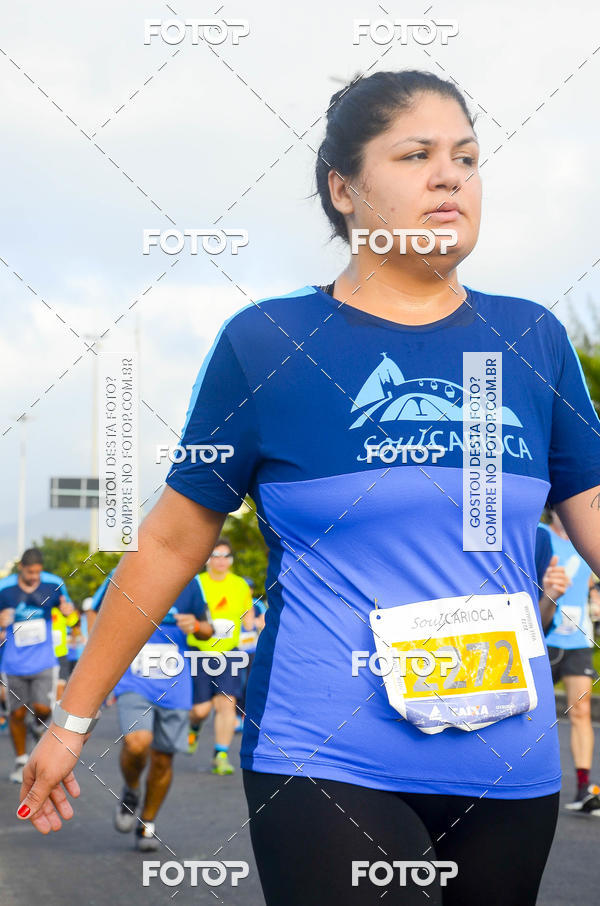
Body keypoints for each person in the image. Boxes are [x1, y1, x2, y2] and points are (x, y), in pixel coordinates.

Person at [16, 69, 600, 905]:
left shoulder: (528, 339)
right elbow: (173, 542)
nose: (451, 176)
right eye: (416, 155)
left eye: (468, 158)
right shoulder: (270, 344)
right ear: (344, 187)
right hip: (326, 755)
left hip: (508, 765)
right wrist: (72, 723)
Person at [87, 568, 214, 849]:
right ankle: (131, 790)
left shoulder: (190, 581)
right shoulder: (125, 572)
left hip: (175, 683)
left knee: (163, 759)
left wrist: (196, 626)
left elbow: (207, 629)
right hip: (135, 678)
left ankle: (148, 823)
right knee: (137, 743)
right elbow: (93, 611)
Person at [540, 508, 600, 813]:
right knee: (531, 715)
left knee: (581, 712)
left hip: (577, 640)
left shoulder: (586, 536)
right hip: (542, 637)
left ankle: (584, 788)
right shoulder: (539, 535)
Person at [0, 548, 71, 782]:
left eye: (38, 573)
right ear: (21, 567)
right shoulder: (5, 589)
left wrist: (68, 612)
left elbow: (70, 615)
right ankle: (21, 760)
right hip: (13, 663)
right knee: (17, 713)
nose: (34, 577)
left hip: (44, 661)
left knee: (43, 708)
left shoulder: (52, 585)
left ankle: (39, 726)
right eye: (30, 572)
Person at [186, 539, 253, 774]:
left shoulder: (240, 585)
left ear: (231, 560)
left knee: (227, 703)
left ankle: (220, 755)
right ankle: (194, 726)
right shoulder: (196, 583)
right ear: (207, 559)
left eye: (226, 556)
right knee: (201, 709)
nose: (221, 561)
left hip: (229, 654)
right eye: (215, 555)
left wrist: (257, 623)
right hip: (199, 652)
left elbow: (249, 618)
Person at [237, 576, 267, 731]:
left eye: (249, 588)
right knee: (236, 683)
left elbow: (263, 622)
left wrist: (256, 623)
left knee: (249, 683)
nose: (247, 591)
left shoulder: (258, 604)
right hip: (236, 650)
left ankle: (244, 715)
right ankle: (236, 715)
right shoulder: (234, 601)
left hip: (252, 650)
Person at [51, 601, 80, 699]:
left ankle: (58, 708)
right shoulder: (48, 611)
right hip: (47, 655)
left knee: (61, 682)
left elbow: (73, 622)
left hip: (61, 653)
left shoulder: (62, 613)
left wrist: (70, 612)